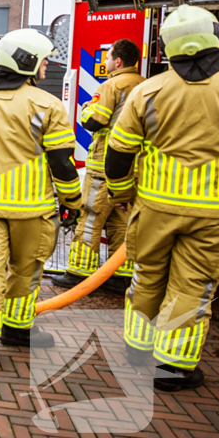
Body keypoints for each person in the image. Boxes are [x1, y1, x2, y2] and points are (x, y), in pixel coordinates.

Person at [106, 5, 219, 392]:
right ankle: (172, 367)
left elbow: (119, 152)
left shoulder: (148, 91)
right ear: (217, 36)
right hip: (218, 213)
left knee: (147, 276)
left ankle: (137, 349)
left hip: (155, 207)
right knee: (192, 285)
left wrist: (122, 193)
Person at [0, 29, 83, 367]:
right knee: (26, 270)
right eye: (44, 61)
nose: (47, 67)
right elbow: (62, 163)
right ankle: (17, 330)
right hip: (32, 211)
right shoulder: (47, 105)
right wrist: (72, 203)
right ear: (28, 62)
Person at [52, 38, 145, 293]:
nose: (104, 62)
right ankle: (119, 276)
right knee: (122, 220)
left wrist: (86, 107)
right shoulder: (146, 86)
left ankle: (78, 272)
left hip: (104, 166)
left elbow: (95, 121)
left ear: (118, 61)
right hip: (135, 169)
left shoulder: (112, 85)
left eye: (108, 58)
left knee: (91, 215)